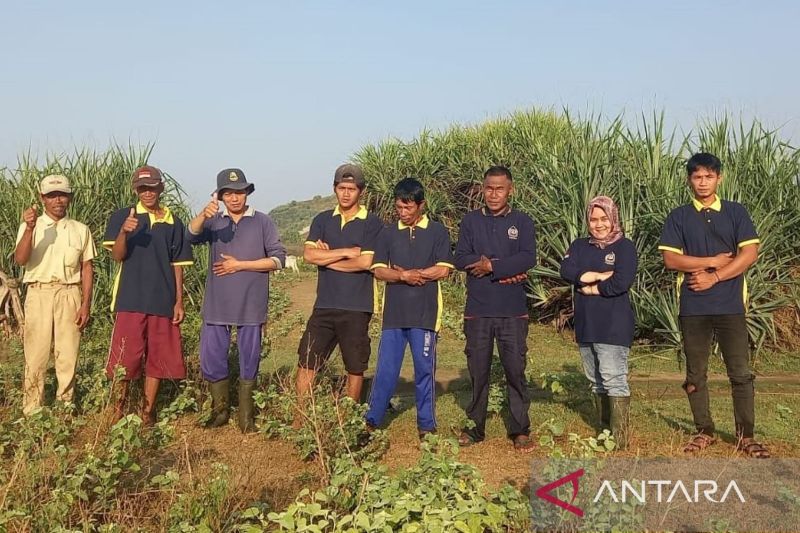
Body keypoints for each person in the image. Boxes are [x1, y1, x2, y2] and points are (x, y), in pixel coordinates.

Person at [659, 152, 768, 458]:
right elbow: (671, 259)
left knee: (740, 373)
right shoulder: (678, 216)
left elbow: (749, 255)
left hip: (730, 304)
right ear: (689, 180)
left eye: (708, 176)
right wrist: (710, 261)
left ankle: (746, 436)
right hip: (693, 307)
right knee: (696, 373)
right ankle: (703, 431)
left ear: (719, 178)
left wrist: (715, 276)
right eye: (697, 177)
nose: (703, 182)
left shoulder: (736, 213)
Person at [187, 168, 286, 432]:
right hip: (217, 304)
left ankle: (246, 417)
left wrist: (241, 265)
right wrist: (202, 214)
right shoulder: (214, 221)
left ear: (247, 193)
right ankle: (219, 412)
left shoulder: (263, 222)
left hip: (251, 305)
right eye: (228, 193)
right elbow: (190, 236)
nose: (234, 198)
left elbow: (278, 259)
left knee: (250, 359)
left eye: (239, 192)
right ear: (220, 196)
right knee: (212, 357)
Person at [454, 165, 537, 451]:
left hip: (512, 310)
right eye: (489, 188)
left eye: (499, 188)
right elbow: (460, 257)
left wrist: (492, 266)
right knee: (478, 370)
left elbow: (528, 258)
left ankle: (520, 428)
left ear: (510, 190)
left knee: (515, 369)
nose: (493, 194)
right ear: (482, 188)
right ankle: (475, 426)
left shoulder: (522, 222)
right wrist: (494, 266)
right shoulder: (470, 222)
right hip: (478, 309)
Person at [103, 165, 193, 425]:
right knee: (125, 358)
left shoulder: (173, 221)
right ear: (135, 189)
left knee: (158, 357)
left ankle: (147, 412)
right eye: (142, 188)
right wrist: (124, 232)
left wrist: (179, 301)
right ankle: (118, 410)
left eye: (152, 187)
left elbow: (178, 264)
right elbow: (117, 256)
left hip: (163, 301)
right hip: (130, 299)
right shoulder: (123, 216)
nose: (148, 192)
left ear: (161, 188)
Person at [365, 178, 454, 439]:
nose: (403, 213)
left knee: (424, 370)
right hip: (394, 315)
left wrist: (416, 274)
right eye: (399, 208)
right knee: (386, 370)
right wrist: (402, 276)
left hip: (425, 314)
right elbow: (379, 270)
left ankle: (426, 424)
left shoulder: (437, 232)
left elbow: (443, 270)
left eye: (408, 208)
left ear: (421, 205)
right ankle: (372, 420)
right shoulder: (387, 233)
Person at [294, 163, 383, 417]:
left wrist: (328, 258)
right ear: (334, 189)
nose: (346, 193)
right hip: (324, 304)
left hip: (357, 306)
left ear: (361, 192)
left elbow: (366, 262)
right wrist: (345, 252)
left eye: (351, 189)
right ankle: (301, 417)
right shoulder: (322, 219)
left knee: (354, 365)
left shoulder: (372, 223)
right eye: (341, 188)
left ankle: (348, 419)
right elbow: (310, 256)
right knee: (307, 359)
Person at [14, 174, 96, 415]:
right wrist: (29, 229)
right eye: (51, 196)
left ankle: (65, 407)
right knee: (36, 356)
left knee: (67, 355)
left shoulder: (80, 230)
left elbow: (87, 267)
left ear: (69, 197)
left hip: (69, 293)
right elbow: (20, 259)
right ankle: (31, 410)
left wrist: (85, 304)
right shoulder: (31, 226)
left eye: (62, 195)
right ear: (42, 199)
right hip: (38, 293)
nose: (57, 200)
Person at [560, 196, 637, 449]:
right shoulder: (580, 245)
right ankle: (605, 432)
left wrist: (590, 289)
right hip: (586, 324)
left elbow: (621, 282)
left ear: (613, 218)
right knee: (595, 380)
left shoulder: (624, 247)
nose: (599, 224)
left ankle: (620, 438)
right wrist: (592, 275)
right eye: (593, 219)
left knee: (614, 378)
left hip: (613, 325)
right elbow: (566, 270)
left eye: (604, 218)